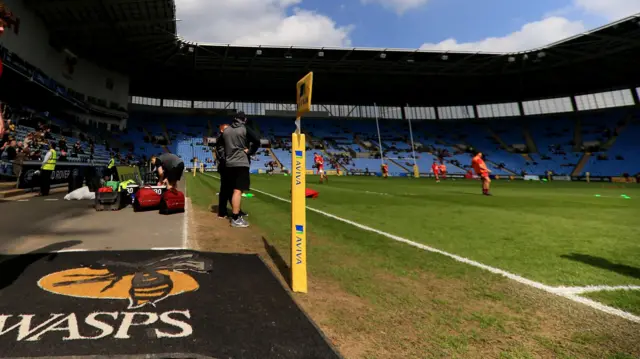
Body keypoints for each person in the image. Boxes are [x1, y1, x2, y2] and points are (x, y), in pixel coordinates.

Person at [222, 111, 260, 228]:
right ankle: (235, 217)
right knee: (238, 191)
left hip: (229, 163)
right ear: (243, 120)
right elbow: (257, 141)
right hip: (241, 162)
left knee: (233, 190)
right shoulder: (244, 128)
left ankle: (236, 213)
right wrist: (250, 151)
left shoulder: (226, 130)